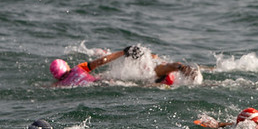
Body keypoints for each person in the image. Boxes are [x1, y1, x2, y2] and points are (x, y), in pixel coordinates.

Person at [50, 45, 200, 87]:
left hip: (100, 86)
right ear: (67, 67)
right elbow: (101, 61)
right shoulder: (78, 69)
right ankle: (181, 69)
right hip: (100, 83)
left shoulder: (60, 84)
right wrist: (123, 52)